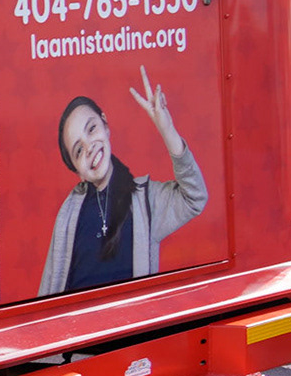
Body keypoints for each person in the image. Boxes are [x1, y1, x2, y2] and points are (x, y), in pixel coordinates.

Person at [39, 66, 206, 296]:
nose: (89, 147)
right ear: (78, 173)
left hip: (130, 318)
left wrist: (167, 130)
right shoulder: (68, 214)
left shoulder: (146, 200)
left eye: (91, 129)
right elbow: (49, 288)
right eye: (78, 150)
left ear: (105, 125)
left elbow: (194, 198)